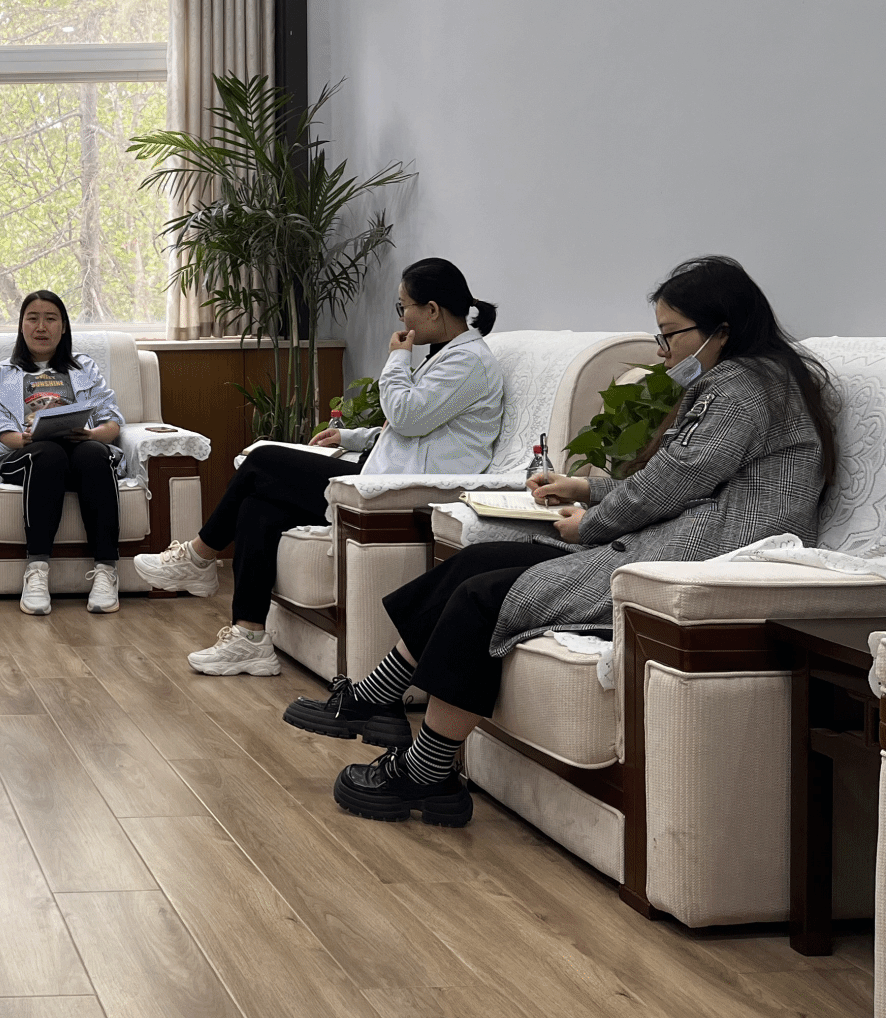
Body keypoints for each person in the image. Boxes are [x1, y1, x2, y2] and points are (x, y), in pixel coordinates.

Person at [285, 255, 835, 827]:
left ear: (722, 329)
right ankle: (377, 696)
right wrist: (586, 488)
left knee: (482, 597)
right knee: (475, 561)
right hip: (666, 541)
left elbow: (673, 484)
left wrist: (588, 524)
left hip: (693, 561)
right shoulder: (746, 381)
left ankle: (427, 772)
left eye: (670, 335)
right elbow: (679, 479)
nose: (663, 352)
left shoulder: (744, 388)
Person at [141, 258, 505, 679]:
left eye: (403, 306)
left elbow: (407, 416)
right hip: (382, 474)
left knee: (261, 462)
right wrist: (352, 436)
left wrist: (397, 359)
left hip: (402, 492)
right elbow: (418, 429)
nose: (401, 317)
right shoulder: (450, 357)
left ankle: (199, 555)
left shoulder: (467, 362)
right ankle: (249, 638)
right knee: (259, 506)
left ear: (433, 310)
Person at [0, 291, 127, 616]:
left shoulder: (83, 368)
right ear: (22, 326)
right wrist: (25, 438)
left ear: (63, 326)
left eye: (50, 319)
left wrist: (91, 434)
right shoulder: (1, 374)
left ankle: (106, 570)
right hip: (28, 456)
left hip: (80, 452)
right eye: (32, 318)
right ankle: (36, 571)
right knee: (48, 454)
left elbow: (111, 421)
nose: (41, 327)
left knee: (93, 453)